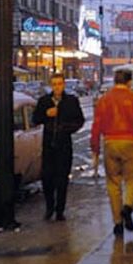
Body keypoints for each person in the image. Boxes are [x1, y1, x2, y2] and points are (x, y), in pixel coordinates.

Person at [91, 69, 133, 236]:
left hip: (110, 142)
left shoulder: (104, 100)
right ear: (129, 82)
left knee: (113, 183)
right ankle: (128, 206)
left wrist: (95, 148)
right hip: (131, 142)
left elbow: (96, 125)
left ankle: (117, 222)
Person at [32, 73, 85, 221]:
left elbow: (79, 121)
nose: (57, 87)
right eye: (54, 84)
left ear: (64, 85)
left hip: (64, 145)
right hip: (48, 145)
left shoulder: (71, 101)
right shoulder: (44, 101)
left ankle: (60, 209)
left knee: (62, 179)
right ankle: (50, 206)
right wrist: (46, 114)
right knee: (47, 178)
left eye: (59, 84)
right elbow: (35, 119)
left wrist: (65, 127)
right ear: (51, 85)